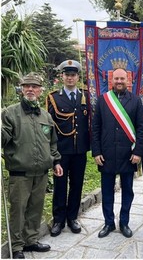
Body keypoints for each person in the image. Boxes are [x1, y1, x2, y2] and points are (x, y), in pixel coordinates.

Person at [2, 73, 63, 259]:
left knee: (35, 208)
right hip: (20, 172)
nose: (30, 89)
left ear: (40, 91)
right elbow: (3, 138)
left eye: (34, 87)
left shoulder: (45, 115)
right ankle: (18, 246)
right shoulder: (10, 113)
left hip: (42, 171)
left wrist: (56, 161)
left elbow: (52, 142)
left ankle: (31, 240)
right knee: (18, 211)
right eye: (26, 86)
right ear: (21, 89)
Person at [92, 68, 143, 238]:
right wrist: (96, 152)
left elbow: (141, 129)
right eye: (116, 78)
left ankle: (124, 222)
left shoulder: (136, 101)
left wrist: (138, 152)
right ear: (111, 80)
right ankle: (108, 223)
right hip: (106, 154)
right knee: (107, 191)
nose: (119, 81)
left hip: (128, 155)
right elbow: (96, 128)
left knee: (127, 191)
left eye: (122, 78)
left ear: (128, 80)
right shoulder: (103, 100)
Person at [46, 60, 90, 237]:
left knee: (77, 185)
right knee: (60, 185)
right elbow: (48, 126)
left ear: (78, 77)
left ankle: (72, 217)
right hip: (62, 151)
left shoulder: (85, 96)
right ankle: (58, 220)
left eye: (73, 75)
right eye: (67, 74)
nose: (70, 78)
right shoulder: (53, 98)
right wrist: (52, 152)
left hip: (80, 150)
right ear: (62, 76)